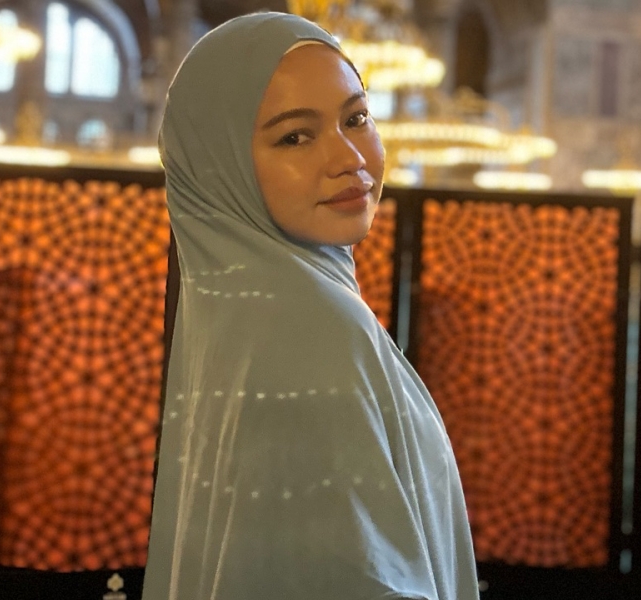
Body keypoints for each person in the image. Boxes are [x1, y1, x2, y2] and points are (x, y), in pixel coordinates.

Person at [144, 11, 479, 600]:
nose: (348, 156)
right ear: (222, 168)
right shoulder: (313, 325)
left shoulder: (239, 315)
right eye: (295, 136)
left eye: (357, 118)